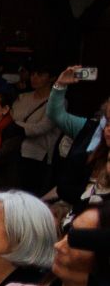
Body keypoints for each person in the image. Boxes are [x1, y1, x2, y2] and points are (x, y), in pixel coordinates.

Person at [47, 64, 109, 204]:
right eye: (108, 121)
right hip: (74, 203)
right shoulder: (91, 128)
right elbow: (55, 114)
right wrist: (60, 85)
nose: (108, 128)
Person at [10, 63, 56, 195]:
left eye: (40, 74)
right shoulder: (22, 97)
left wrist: (16, 126)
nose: (34, 77)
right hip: (15, 151)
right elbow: (9, 118)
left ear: (51, 78)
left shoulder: (56, 101)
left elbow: (42, 127)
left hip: (38, 155)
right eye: (33, 74)